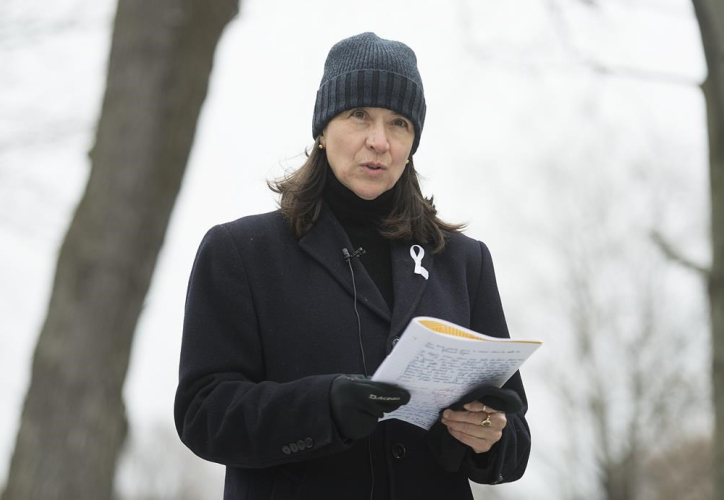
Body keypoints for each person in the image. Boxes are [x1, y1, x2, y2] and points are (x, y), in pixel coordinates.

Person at [174, 32, 531, 500]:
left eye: (398, 123)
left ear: (412, 143)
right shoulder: (240, 252)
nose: (378, 141)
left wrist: (486, 435)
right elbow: (203, 413)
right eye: (359, 115)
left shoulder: (464, 262)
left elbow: (514, 438)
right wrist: (323, 407)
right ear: (322, 129)